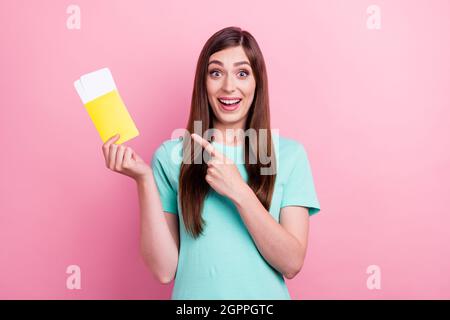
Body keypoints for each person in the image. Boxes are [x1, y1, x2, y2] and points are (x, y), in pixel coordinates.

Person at [101, 26, 321, 299]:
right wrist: (143, 179)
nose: (229, 86)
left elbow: (291, 263)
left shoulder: (288, 156)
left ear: (257, 83)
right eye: (216, 73)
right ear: (203, 83)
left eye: (242, 73)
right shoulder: (172, 157)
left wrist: (239, 191)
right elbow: (164, 270)